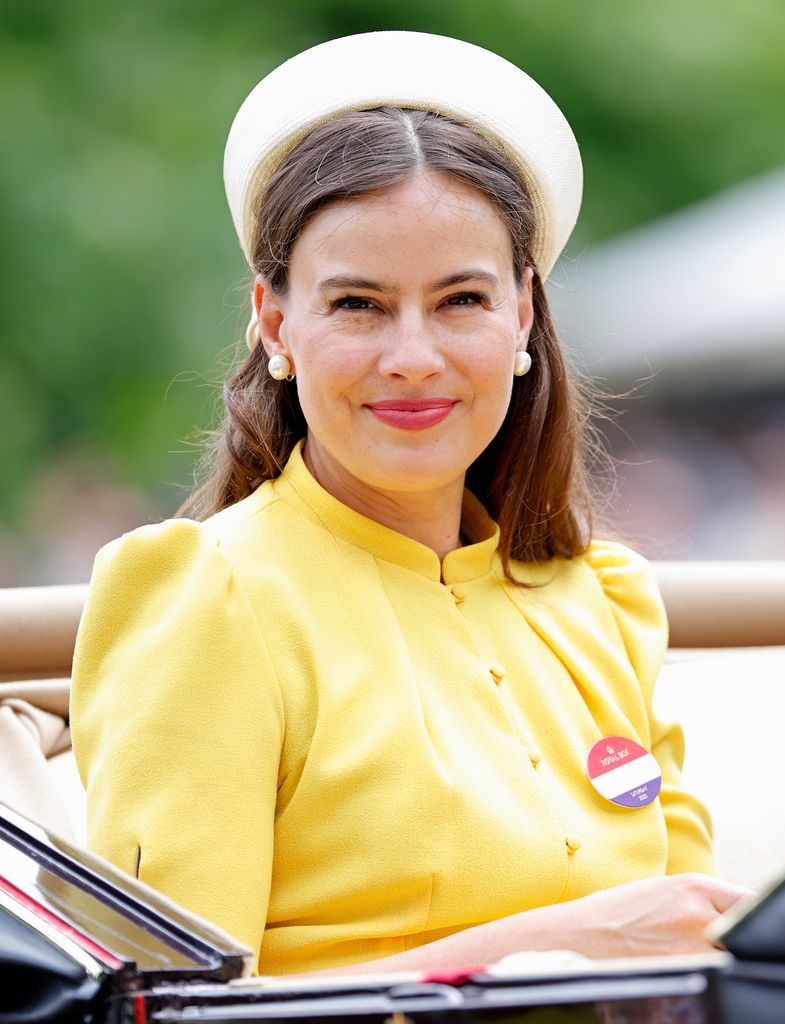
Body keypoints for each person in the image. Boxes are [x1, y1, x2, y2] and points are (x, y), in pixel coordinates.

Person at [70, 31, 748, 977]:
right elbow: (170, 1006)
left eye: (461, 300)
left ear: (523, 313)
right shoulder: (207, 598)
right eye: (357, 304)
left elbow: (693, 945)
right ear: (275, 323)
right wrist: (541, 951)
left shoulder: (604, 602)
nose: (413, 356)